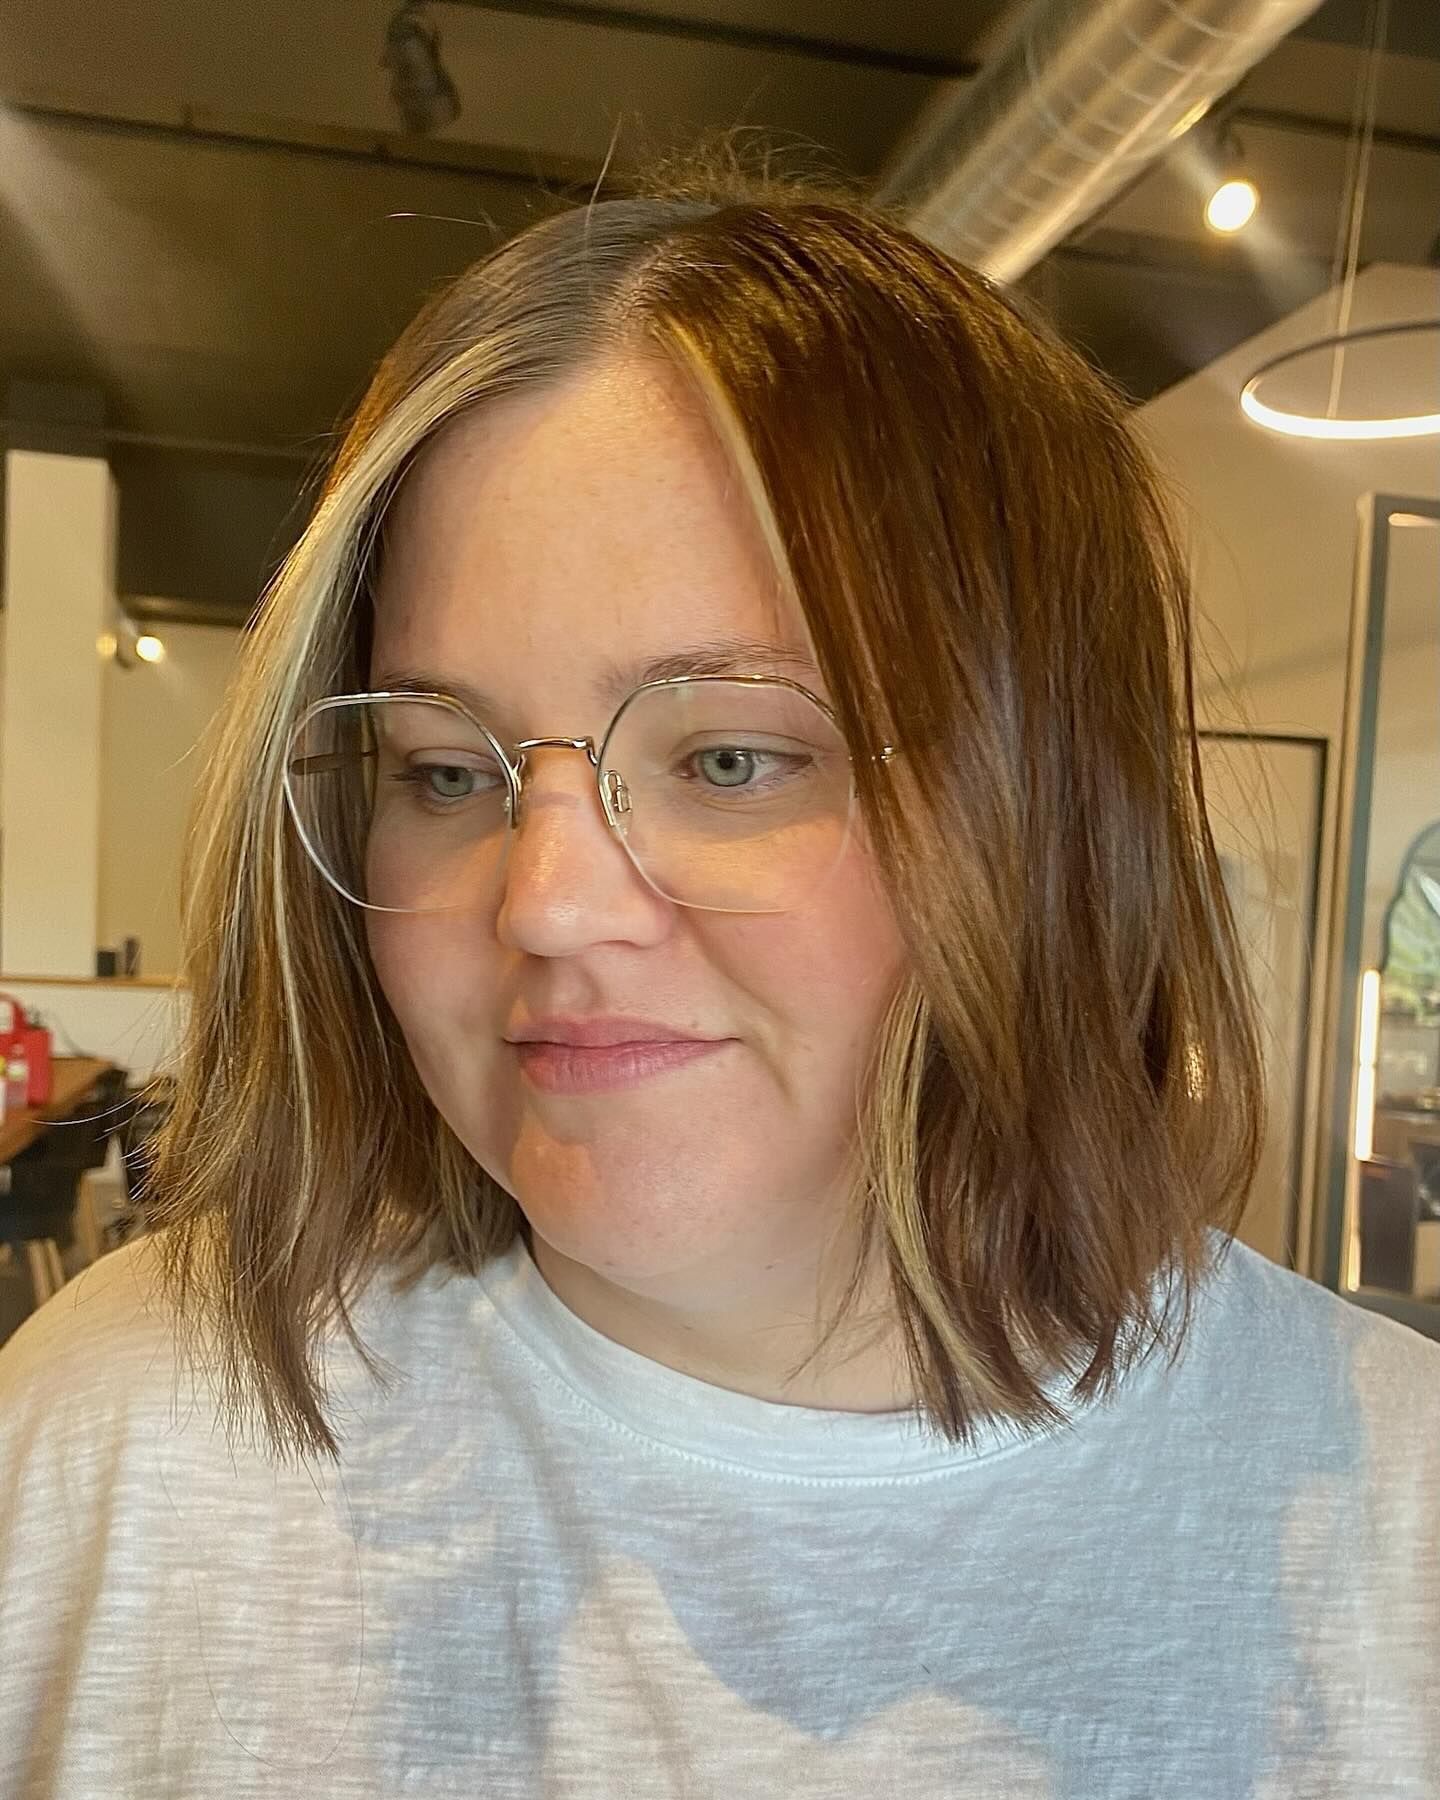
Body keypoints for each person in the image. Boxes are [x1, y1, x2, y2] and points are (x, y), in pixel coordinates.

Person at [1, 171, 1436, 1800]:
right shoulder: (131, 1439)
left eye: (732, 757)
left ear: (1046, 812)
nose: (544, 904)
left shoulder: (1399, 1521)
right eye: (448, 773)